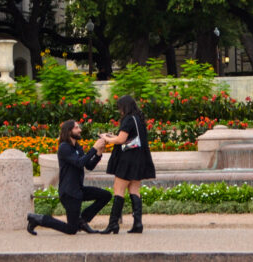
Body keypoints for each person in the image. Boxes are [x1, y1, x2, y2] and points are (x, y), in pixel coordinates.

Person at [26, 120, 110, 235]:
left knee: (105, 195)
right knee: (71, 229)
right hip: (69, 193)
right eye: (76, 128)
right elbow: (79, 163)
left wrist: (98, 153)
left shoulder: (77, 147)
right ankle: (39, 219)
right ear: (68, 131)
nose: (80, 130)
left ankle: (82, 220)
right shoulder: (64, 148)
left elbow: (88, 166)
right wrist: (94, 148)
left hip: (79, 190)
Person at [99, 95, 156, 234]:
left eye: (120, 108)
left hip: (128, 159)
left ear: (124, 107)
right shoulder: (139, 119)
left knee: (118, 190)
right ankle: (138, 224)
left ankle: (113, 224)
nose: (119, 111)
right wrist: (114, 137)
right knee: (135, 190)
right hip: (139, 158)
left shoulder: (128, 119)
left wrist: (105, 137)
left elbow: (121, 139)